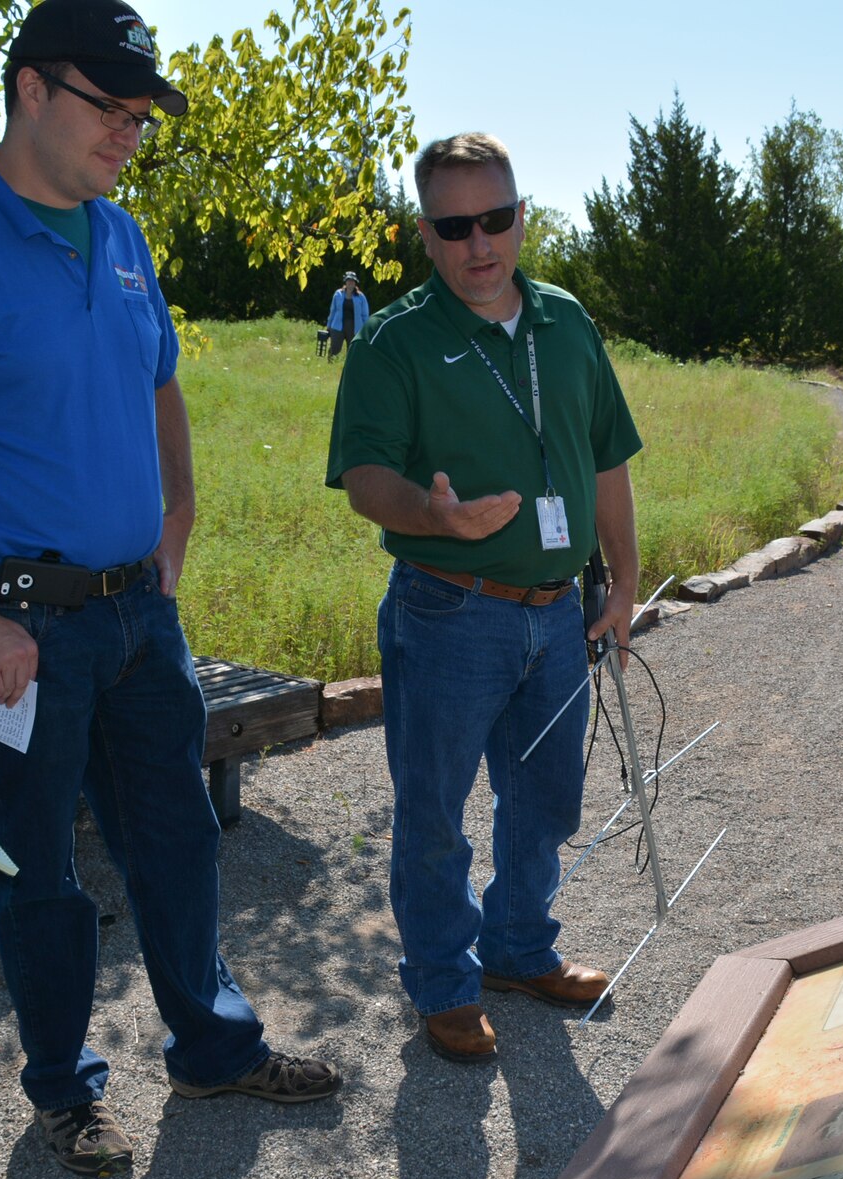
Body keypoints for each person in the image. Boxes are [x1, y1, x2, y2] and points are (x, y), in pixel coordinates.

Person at [0, 0, 339, 1176]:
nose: (131, 131)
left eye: (142, 112)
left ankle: (211, 1047)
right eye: (112, 106)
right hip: (19, 633)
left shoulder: (120, 235)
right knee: (36, 869)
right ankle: (62, 1089)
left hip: (140, 617)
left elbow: (159, 379)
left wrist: (180, 509)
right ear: (30, 89)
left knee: (179, 838)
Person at [325, 133, 644, 1062]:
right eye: (455, 225)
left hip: (557, 611)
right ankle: (444, 982)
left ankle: (516, 949)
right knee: (435, 809)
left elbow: (609, 458)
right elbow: (362, 477)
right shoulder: (393, 341)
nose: (480, 243)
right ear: (424, 233)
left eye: (496, 219)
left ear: (518, 216)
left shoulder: (567, 322)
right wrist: (429, 514)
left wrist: (622, 582)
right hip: (448, 607)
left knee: (545, 798)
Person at [326, 270, 369, 357]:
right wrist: (329, 325)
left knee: (352, 350)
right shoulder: (338, 294)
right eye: (348, 281)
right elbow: (333, 310)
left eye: (352, 281)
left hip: (354, 327)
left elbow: (365, 314)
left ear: (355, 283)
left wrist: (365, 328)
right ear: (345, 282)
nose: (350, 283)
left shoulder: (361, 296)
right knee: (335, 348)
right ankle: (330, 362)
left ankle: (349, 367)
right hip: (338, 326)